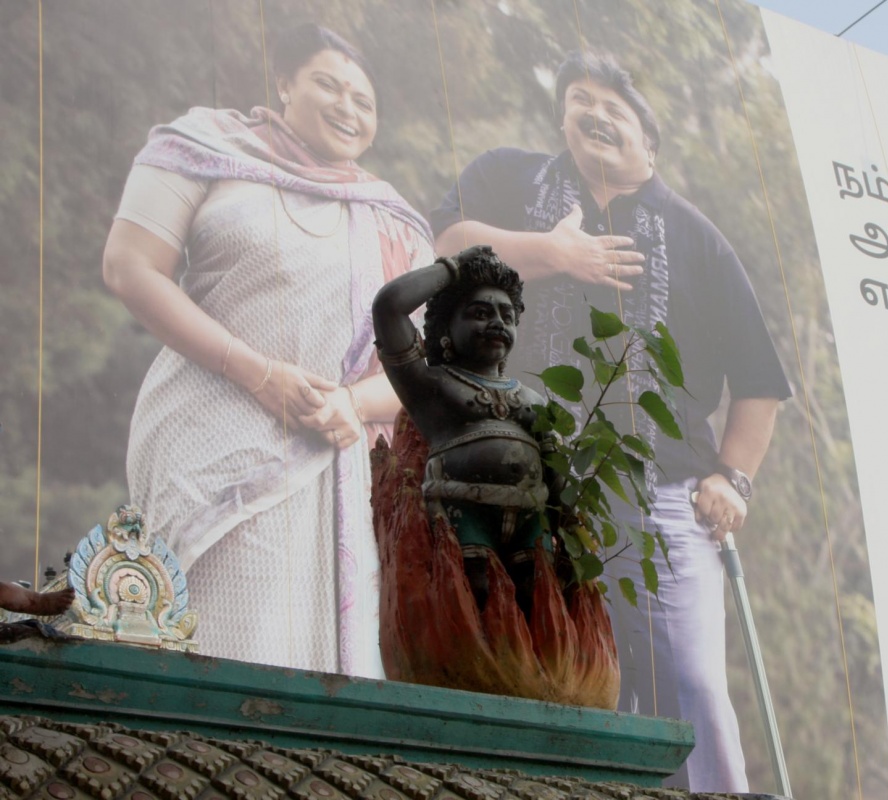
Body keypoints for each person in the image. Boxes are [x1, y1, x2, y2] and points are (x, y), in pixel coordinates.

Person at [428, 51, 791, 792]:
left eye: (613, 107)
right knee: (536, 663)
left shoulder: (698, 238)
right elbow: (447, 242)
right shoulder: (512, 176)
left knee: (689, 683)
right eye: (580, 100)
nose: (593, 113)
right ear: (561, 117)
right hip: (518, 478)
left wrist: (734, 478)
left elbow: (760, 382)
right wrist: (553, 254)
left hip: (664, 497)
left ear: (648, 142)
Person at [101, 23, 434, 678]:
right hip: (210, 442)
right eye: (328, 85)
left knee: (322, 674)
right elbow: (129, 266)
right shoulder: (204, 148)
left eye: (363, 101)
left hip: (334, 456)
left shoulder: (392, 220)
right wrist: (256, 374)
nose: (347, 107)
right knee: (226, 649)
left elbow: (422, 363)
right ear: (284, 83)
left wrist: (350, 403)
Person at [372, 246, 553, 616]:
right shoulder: (431, 386)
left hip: (532, 519)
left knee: (540, 602)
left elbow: (556, 468)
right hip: (462, 511)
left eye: (507, 316)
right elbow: (389, 307)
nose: (497, 323)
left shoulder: (533, 398)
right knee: (473, 600)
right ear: (445, 331)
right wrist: (454, 269)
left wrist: (572, 519)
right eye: (480, 313)